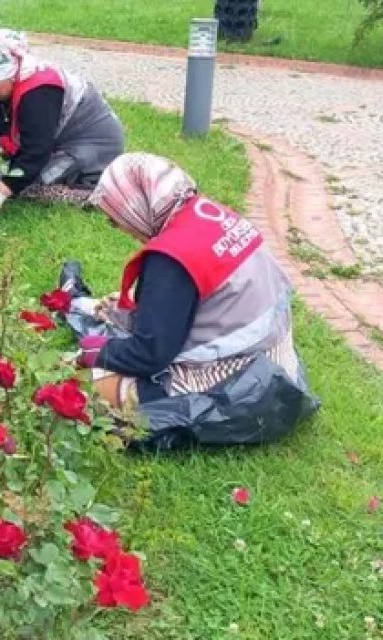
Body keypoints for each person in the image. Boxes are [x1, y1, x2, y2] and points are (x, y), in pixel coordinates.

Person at [71, 153, 317, 449]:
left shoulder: (170, 259)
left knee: (80, 385)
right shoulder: (206, 212)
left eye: (115, 220)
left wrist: (96, 355)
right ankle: (84, 316)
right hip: (278, 360)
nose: (119, 228)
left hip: (237, 383)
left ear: (134, 207)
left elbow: (149, 355)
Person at [0, 30, 124, 210]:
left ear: (10, 73)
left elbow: (36, 150)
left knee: (34, 185)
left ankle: (92, 191)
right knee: (14, 177)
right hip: (56, 139)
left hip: (92, 143)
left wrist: (0, 192)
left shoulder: (40, 92)